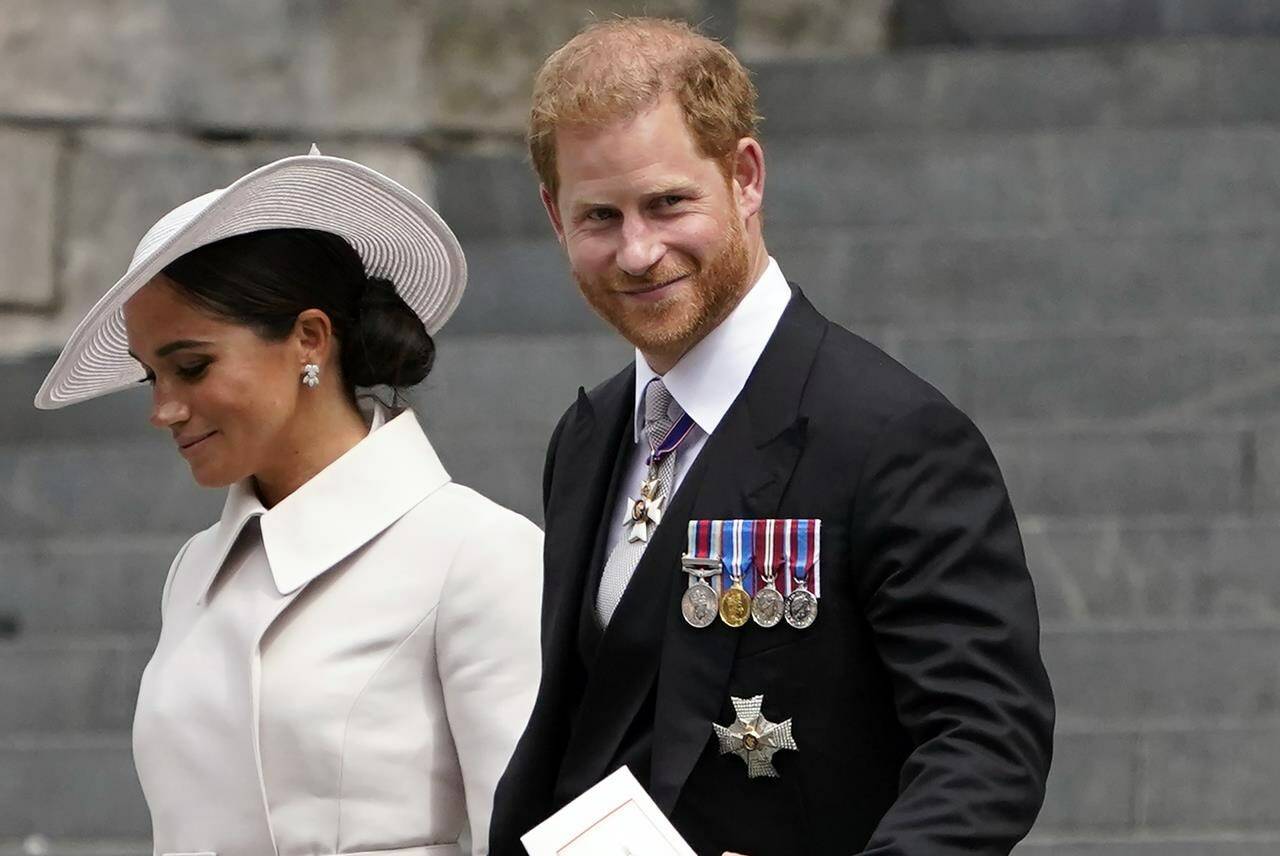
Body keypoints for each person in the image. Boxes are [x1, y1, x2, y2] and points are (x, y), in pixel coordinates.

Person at [489, 18, 1054, 856]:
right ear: (553, 214)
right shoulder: (588, 436)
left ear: (745, 177)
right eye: (600, 216)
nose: (639, 251)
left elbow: (986, 744)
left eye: (669, 203)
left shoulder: (894, 437)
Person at [35, 150, 542, 856]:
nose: (163, 409)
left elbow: (525, 837)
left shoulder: (478, 553)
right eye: (150, 377)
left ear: (309, 339)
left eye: (191, 367)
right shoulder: (195, 570)